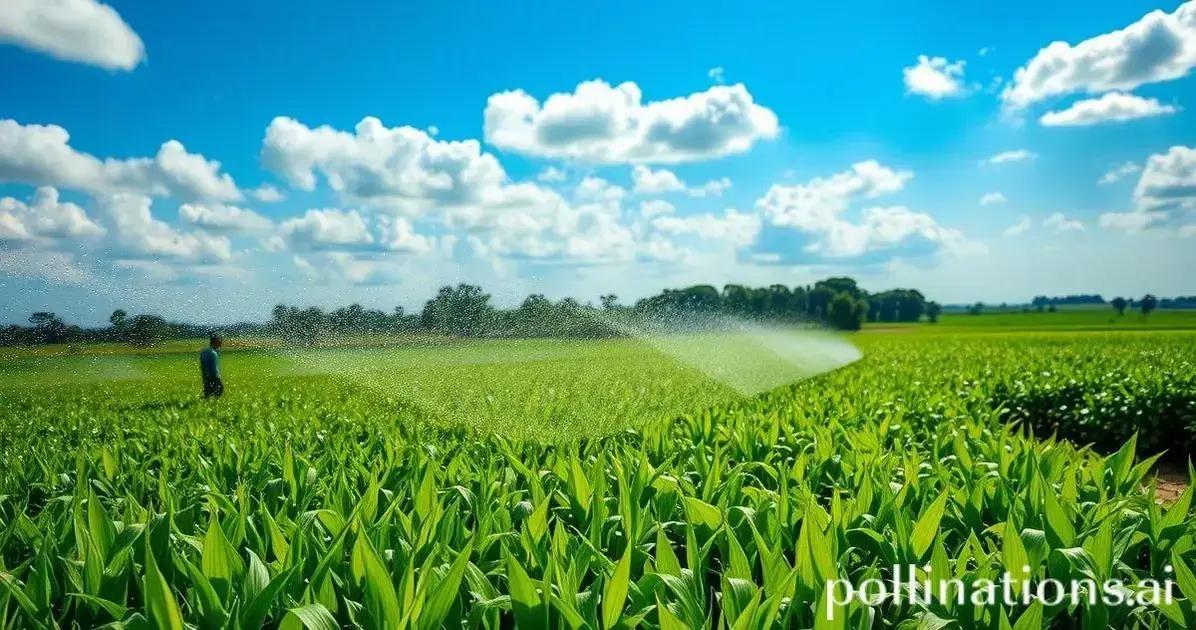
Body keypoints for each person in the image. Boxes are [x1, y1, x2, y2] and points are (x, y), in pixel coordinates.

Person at [199, 334, 224, 398]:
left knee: (208, 391)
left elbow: (202, 365)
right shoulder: (213, 353)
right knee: (220, 389)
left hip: (205, 375)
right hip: (213, 375)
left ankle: (206, 403)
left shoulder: (204, 351)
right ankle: (212, 404)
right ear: (216, 342)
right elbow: (214, 367)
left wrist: (205, 375)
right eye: (220, 341)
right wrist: (217, 376)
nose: (221, 343)